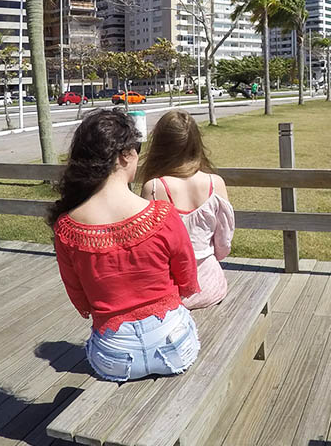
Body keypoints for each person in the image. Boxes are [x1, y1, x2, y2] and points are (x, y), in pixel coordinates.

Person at [47, 108, 201, 382]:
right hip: (174, 345)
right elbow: (187, 279)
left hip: (114, 357)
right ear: (125, 155)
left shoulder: (67, 229)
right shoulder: (162, 215)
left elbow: (81, 300)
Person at [139, 109, 235, 309]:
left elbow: (146, 249)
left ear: (159, 145)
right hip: (211, 285)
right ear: (196, 143)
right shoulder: (215, 183)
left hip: (169, 289)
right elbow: (224, 243)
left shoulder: (154, 187)